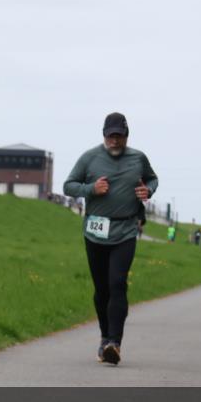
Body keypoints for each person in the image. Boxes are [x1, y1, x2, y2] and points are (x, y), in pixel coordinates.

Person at [63, 112, 158, 365]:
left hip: (126, 229)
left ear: (126, 136)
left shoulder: (138, 158)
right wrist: (91, 189)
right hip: (95, 231)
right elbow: (68, 186)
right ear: (104, 135)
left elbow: (152, 178)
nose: (114, 141)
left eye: (119, 136)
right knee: (101, 289)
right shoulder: (90, 158)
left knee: (117, 283)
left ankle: (115, 342)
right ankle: (105, 337)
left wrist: (147, 190)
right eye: (110, 136)